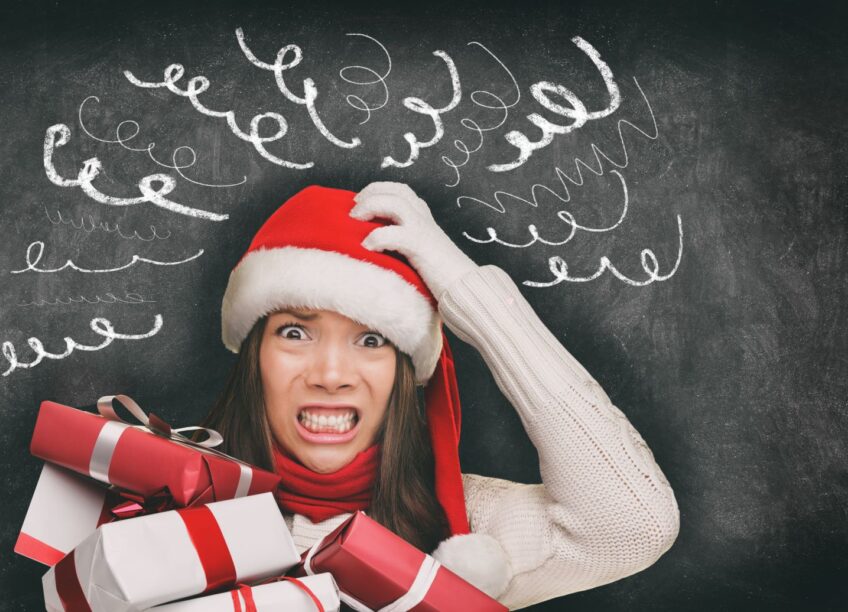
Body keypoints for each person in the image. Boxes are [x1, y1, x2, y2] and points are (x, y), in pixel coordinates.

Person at [200, 182, 680, 609]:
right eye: (295, 333)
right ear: (254, 359)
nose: (330, 374)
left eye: (372, 340)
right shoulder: (163, 512)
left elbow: (636, 525)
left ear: (405, 375)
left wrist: (467, 291)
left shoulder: (472, 533)